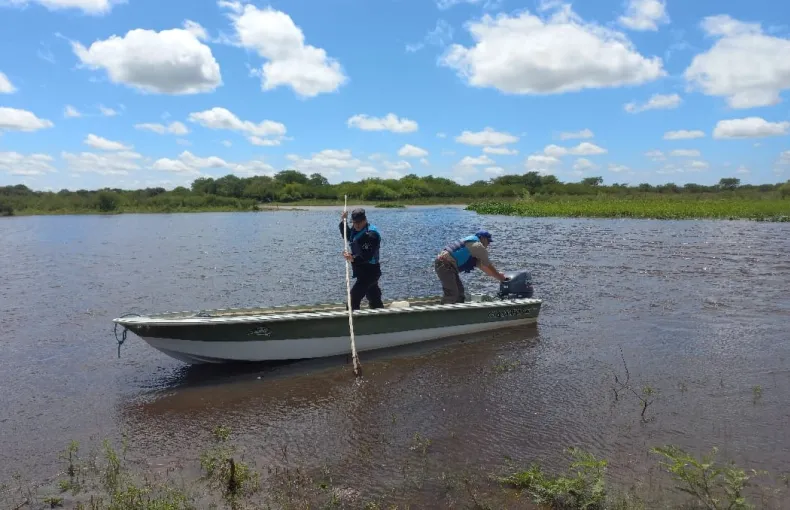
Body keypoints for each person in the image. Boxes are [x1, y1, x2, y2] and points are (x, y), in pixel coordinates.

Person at [434, 230, 507, 304]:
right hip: (444, 265)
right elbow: (488, 265)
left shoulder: (472, 245)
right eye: (488, 241)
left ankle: (459, 312)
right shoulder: (478, 246)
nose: (488, 245)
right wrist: (499, 277)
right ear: (483, 238)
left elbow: (483, 267)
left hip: (447, 266)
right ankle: (444, 313)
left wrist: (497, 275)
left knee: (460, 293)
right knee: (452, 293)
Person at [339, 207, 383, 310]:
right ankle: (378, 310)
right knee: (373, 296)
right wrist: (343, 222)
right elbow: (348, 235)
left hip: (370, 272)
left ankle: (355, 320)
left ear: (365, 220)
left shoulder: (371, 235)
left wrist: (352, 258)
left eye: (360, 222)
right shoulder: (356, 229)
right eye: (354, 222)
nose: (357, 224)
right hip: (362, 271)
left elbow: (367, 256)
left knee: (352, 299)